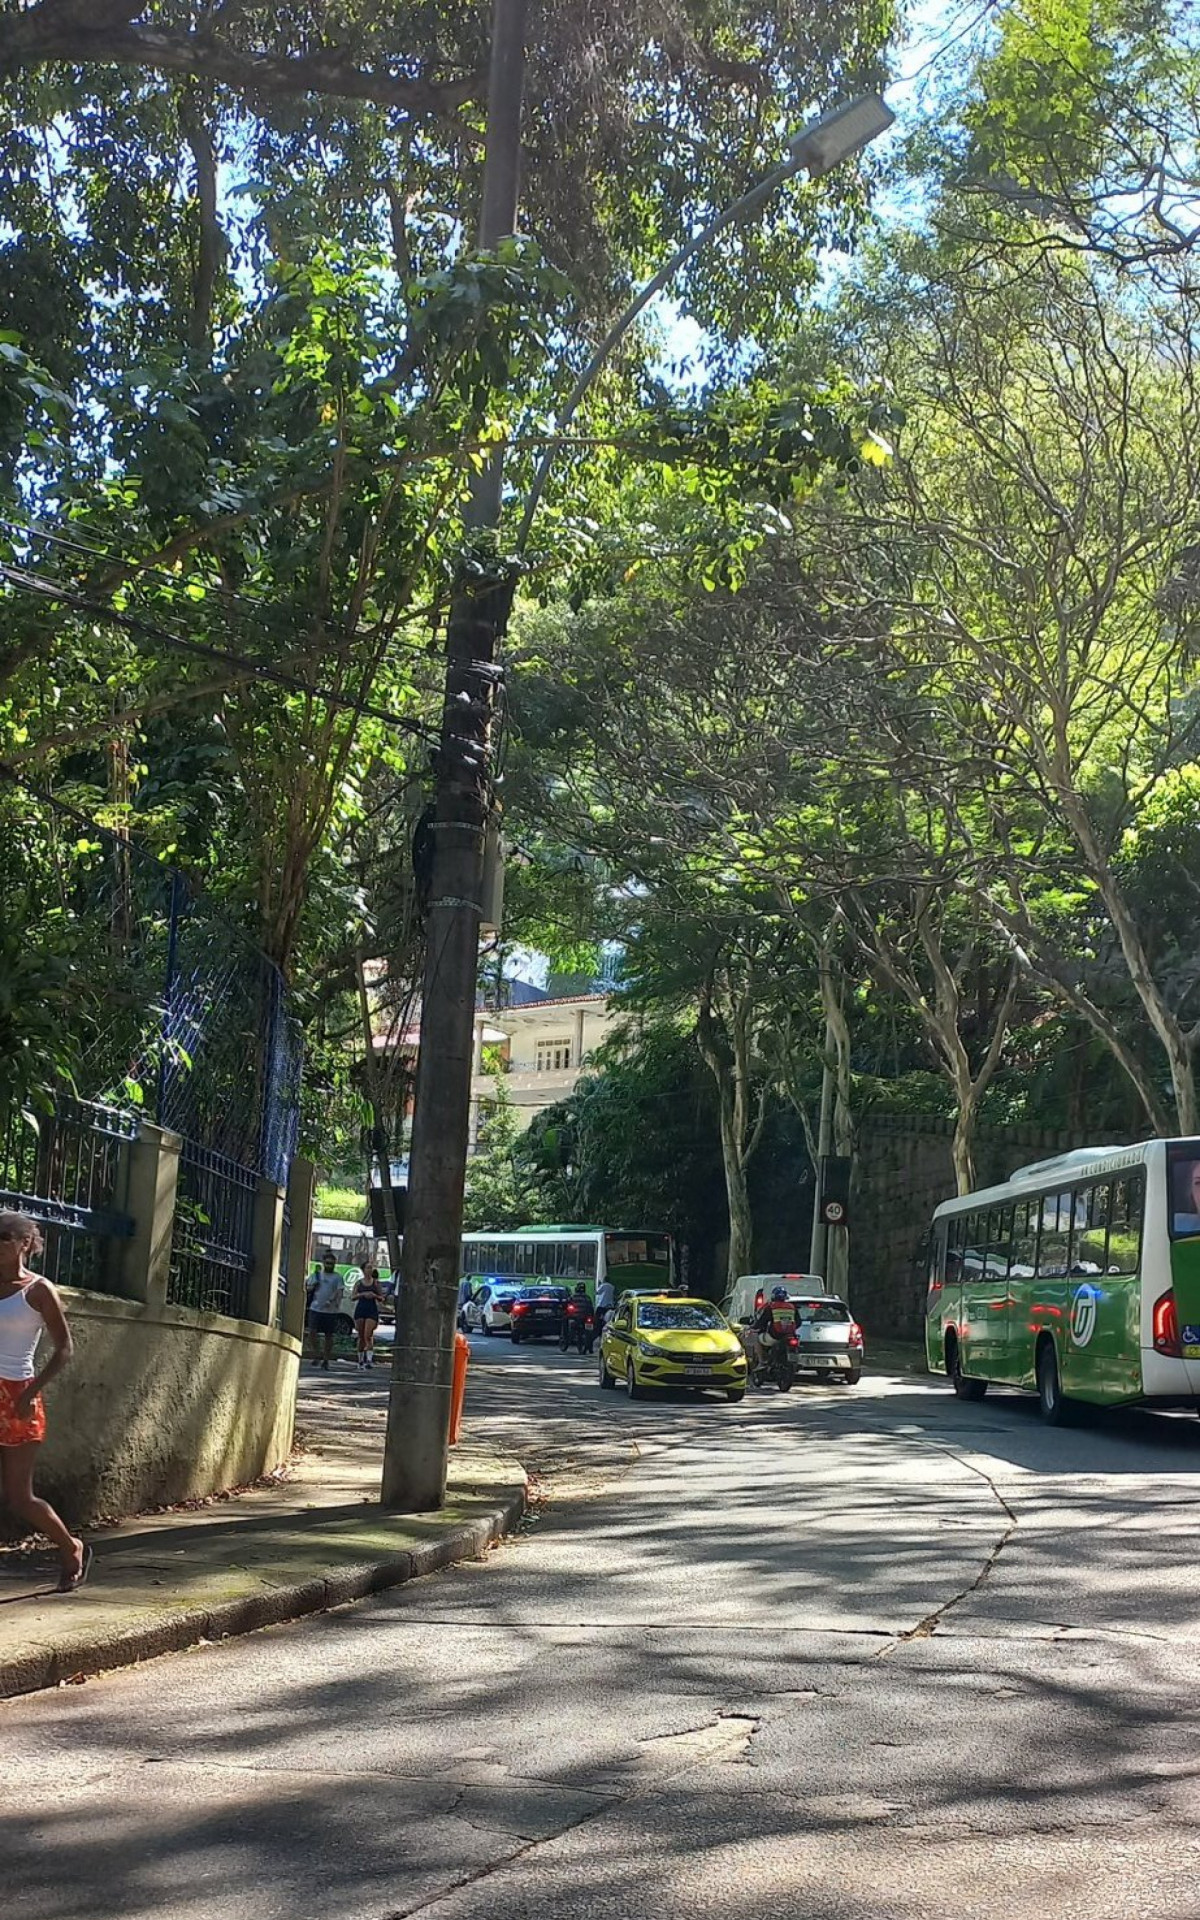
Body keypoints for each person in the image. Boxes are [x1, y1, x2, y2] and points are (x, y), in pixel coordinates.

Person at [0, 1211, 90, 1591]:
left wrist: (31, 1393)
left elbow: (64, 1348)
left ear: (24, 1243)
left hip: (18, 1395)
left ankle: (70, 1547)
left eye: (4, 1238)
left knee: (19, 1497)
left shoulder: (38, 1290)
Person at [747, 1286, 798, 1376]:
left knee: (756, 1338)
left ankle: (762, 1361)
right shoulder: (792, 1307)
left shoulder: (771, 1307)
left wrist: (753, 1328)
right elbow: (799, 1322)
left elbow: (762, 1322)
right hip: (790, 1336)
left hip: (774, 1336)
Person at [306, 1252, 345, 1369]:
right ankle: (316, 1354)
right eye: (327, 1263)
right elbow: (308, 1288)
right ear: (323, 1263)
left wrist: (334, 1301)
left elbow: (339, 1291)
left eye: (332, 1264)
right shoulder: (317, 1275)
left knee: (329, 1335)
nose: (329, 1266)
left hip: (330, 1311)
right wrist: (313, 1286)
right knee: (312, 1332)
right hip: (315, 1308)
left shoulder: (337, 1277)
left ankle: (326, 1359)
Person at [352, 1266, 385, 1369]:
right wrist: (362, 1294)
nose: (370, 1270)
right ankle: (360, 1360)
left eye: (371, 1268)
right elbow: (353, 1297)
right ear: (363, 1270)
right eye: (368, 1268)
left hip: (371, 1310)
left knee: (368, 1334)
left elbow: (382, 1298)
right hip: (361, 1309)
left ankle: (369, 1360)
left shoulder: (376, 1283)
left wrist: (374, 1295)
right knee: (361, 1335)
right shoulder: (359, 1283)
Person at [594, 1273, 615, 1340]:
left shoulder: (603, 1285)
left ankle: (597, 1332)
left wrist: (599, 1285)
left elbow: (597, 1292)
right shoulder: (612, 1287)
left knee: (596, 1319)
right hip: (609, 1306)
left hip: (602, 1305)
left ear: (604, 1280)